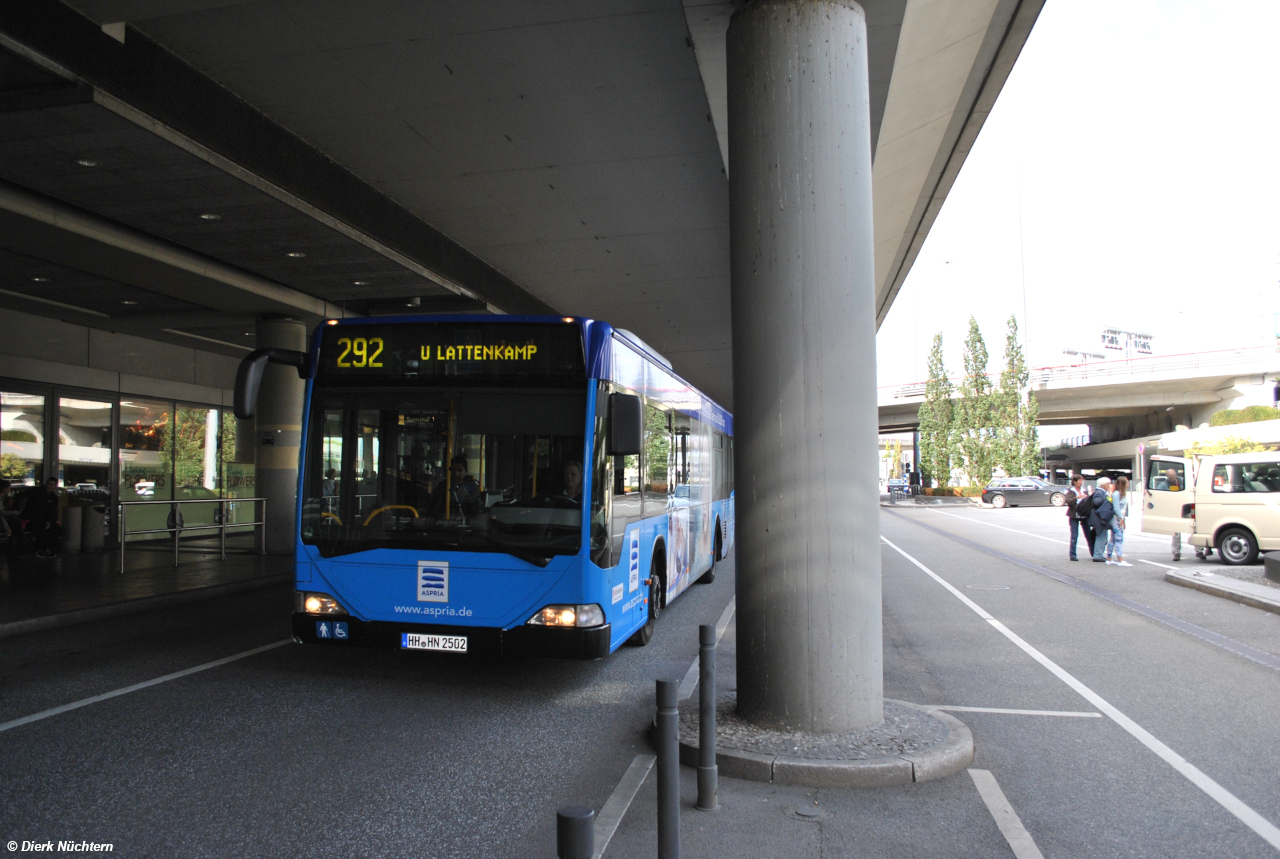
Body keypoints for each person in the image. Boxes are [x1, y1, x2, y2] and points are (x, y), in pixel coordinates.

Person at [22, 476, 63, 559]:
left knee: (59, 530)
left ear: (55, 486)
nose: (49, 486)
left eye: (51, 485)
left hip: (45, 520)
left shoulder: (54, 498)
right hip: (34, 519)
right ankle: (40, 548)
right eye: (48, 484)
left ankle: (47, 548)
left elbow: (53, 512)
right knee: (42, 529)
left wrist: (50, 521)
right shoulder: (36, 492)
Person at [1157, 467, 1184, 561]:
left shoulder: (1182, 481)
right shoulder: (1163, 485)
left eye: (1174, 477)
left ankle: (1199, 550)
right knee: (1176, 533)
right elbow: (1158, 495)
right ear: (1167, 477)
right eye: (1171, 478)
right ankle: (1176, 553)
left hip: (1185, 508)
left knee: (1196, 529)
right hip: (1174, 511)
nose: (1173, 480)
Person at [1106, 476, 1132, 567]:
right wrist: (1120, 518)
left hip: (1118, 517)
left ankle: (1109, 558)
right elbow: (1116, 508)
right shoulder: (1117, 494)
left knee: (1113, 538)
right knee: (1119, 538)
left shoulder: (1120, 494)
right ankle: (1120, 559)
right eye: (1127, 482)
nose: (1128, 484)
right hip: (1116, 518)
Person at [1087, 476, 1114, 563]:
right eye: (1107, 484)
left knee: (1102, 536)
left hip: (1099, 518)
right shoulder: (1100, 492)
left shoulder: (1100, 492)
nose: (1109, 485)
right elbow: (1096, 502)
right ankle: (1098, 556)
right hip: (1099, 518)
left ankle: (1098, 555)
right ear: (1102, 485)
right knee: (1101, 537)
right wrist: (1106, 497)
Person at [1064, 474, 1088, 561]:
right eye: (1079, 480)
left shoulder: (1084, 490)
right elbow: (1068, 501)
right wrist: (1077, 497)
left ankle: (1094, 553)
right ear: (1075, 482)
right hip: (1074, 514)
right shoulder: (1071, 491)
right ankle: (1073, 555)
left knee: (1088, 534)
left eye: (1082, 480)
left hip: (1084, 514)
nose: (1081, 482)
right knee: (1074, 536)